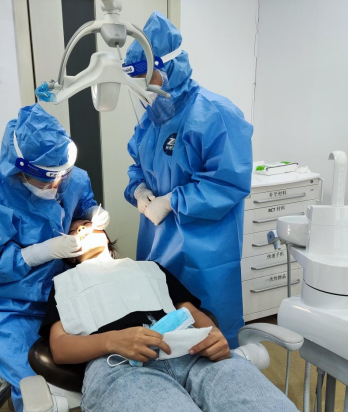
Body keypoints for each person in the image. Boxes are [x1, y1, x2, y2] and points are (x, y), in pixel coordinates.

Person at [0, 104, 110, 411]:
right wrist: (41, 252)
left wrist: (90, 214)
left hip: (58, 288)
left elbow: (79, 203)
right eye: (45, 180)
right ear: (20, 169)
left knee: (88, 370)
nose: (56, 185)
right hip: (3, 300)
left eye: (60, 176)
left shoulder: (68, 175)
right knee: (35, 385)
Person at [39, 220, 299, 412]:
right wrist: (113, 341)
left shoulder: (150, 268)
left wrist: (214, 336)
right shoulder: (64, 285)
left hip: (192, 350)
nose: (82, 229)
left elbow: (192, 312)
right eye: (74, 231)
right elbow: (60, 348)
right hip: (121, 367)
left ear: (105, 235)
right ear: (67, 252)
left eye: (87, 224)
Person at [123, 12, 254, 348]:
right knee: (162, 324)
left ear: (169, 66)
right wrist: (138, 190)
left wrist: (171, 202)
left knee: (210, 337)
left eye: (145, 76)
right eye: (135, 78)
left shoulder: (215, 113)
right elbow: (138, 165)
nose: (141, 86)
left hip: (204, 249)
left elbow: (228, 183)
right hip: (156, 240)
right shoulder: (152, 119)